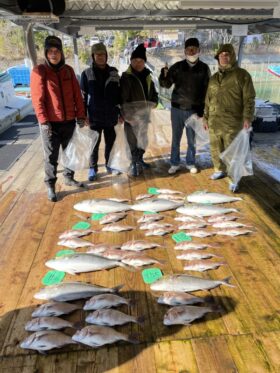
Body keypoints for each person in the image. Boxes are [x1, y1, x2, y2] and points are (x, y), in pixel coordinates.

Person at [30, 35, 86, 202]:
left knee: (70, 152)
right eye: (50, 51)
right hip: (50, 124)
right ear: (46, 53)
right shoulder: (39, 71)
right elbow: (37, 98)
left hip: (69, 121)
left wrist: (81, 115)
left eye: (57, 51)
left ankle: (69, 177)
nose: (54, 54)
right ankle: (51, 185)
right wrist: (43, 121)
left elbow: (77, 95)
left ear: (61, 53)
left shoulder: (68, 71)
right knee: (51, 156)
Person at [203, 43, 255, 192]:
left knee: (233, 151)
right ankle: (219, 169)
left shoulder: (242, 75)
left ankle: (234, 178)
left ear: (232, 56)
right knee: (215, 147)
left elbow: (249, 99)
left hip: (233, 122)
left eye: (227, 54)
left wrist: (247, 118)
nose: (224, 58)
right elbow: (208, 99)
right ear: (217, 58)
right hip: (214, 121)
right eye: (221, 55)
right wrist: (205, 117)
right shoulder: (213, 78)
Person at [159, 37, 210, 175]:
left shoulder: (204, 68)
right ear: (185, 51)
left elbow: (207, 90)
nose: (191, 51)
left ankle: (190, 162)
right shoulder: (177, 67)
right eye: (189, 49)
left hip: (194, 110)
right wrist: (163, 75)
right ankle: (174, 163)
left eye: (194, 49)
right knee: (176, 138)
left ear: (199, 50)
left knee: (191, 140)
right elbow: (166, 84)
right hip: (176, 109)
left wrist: (202, 110)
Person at [80, 42, 121, 181]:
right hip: (94, 116)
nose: (100, 57)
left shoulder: (114, 72)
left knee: (111, 143)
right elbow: (82, 96)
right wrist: (83, 114)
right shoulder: (86, 73)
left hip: (111, 115)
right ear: (93, 56)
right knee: (93, 145)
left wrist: (120, 113)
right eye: (97, 55)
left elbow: (119, 95)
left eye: (102, 54)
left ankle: (110, 164)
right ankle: (93, 168)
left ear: (106, 56)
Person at [120, 43, 158, 177]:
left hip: (144, 116)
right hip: (131, 118)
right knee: (132, 143)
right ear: (131, 61)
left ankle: (140, 160)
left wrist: (154, 103)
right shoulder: (126, 77)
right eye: (135, 60)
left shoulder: (148, 76)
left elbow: (154, 93)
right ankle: (133, 164)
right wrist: (127, 116)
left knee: (143, 141)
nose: (138, 63)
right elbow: (122, 99)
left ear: (144, 62)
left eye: (141, 60)